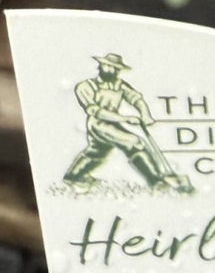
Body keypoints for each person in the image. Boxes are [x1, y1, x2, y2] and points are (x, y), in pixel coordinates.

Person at [63, 53, 192, 191]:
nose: (112, 70)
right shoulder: (86, 86)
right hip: (98, 124)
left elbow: (136, 98)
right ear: (101, 66)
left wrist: (145, 115)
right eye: (109, 66)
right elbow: (95, 111)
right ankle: (155, 181)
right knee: (133, 142)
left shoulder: (119, 85)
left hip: (114, 123)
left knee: (97, 151)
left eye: (116, 68)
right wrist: (124, 118)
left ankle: (73, 176)